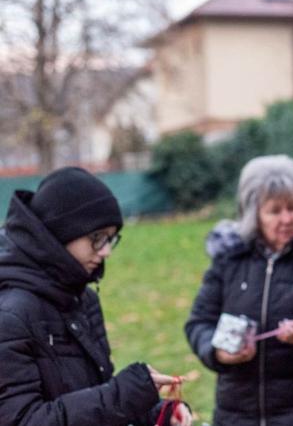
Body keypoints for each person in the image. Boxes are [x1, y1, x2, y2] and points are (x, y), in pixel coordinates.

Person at [0, 167, 192, 426]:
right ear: (59, 233)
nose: (106, 252)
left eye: (111, 239)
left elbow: (94, 396)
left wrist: (156, 413)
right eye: (97, 238)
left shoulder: (82, 298)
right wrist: (123, 395)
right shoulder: (11, 315)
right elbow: (22, 420)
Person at [185, 155, 293, 426]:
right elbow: (199, 322)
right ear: (254, 214)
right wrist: (217, 352)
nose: (287, 219)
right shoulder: (229, 257)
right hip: (237, 411)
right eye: (274, 210)